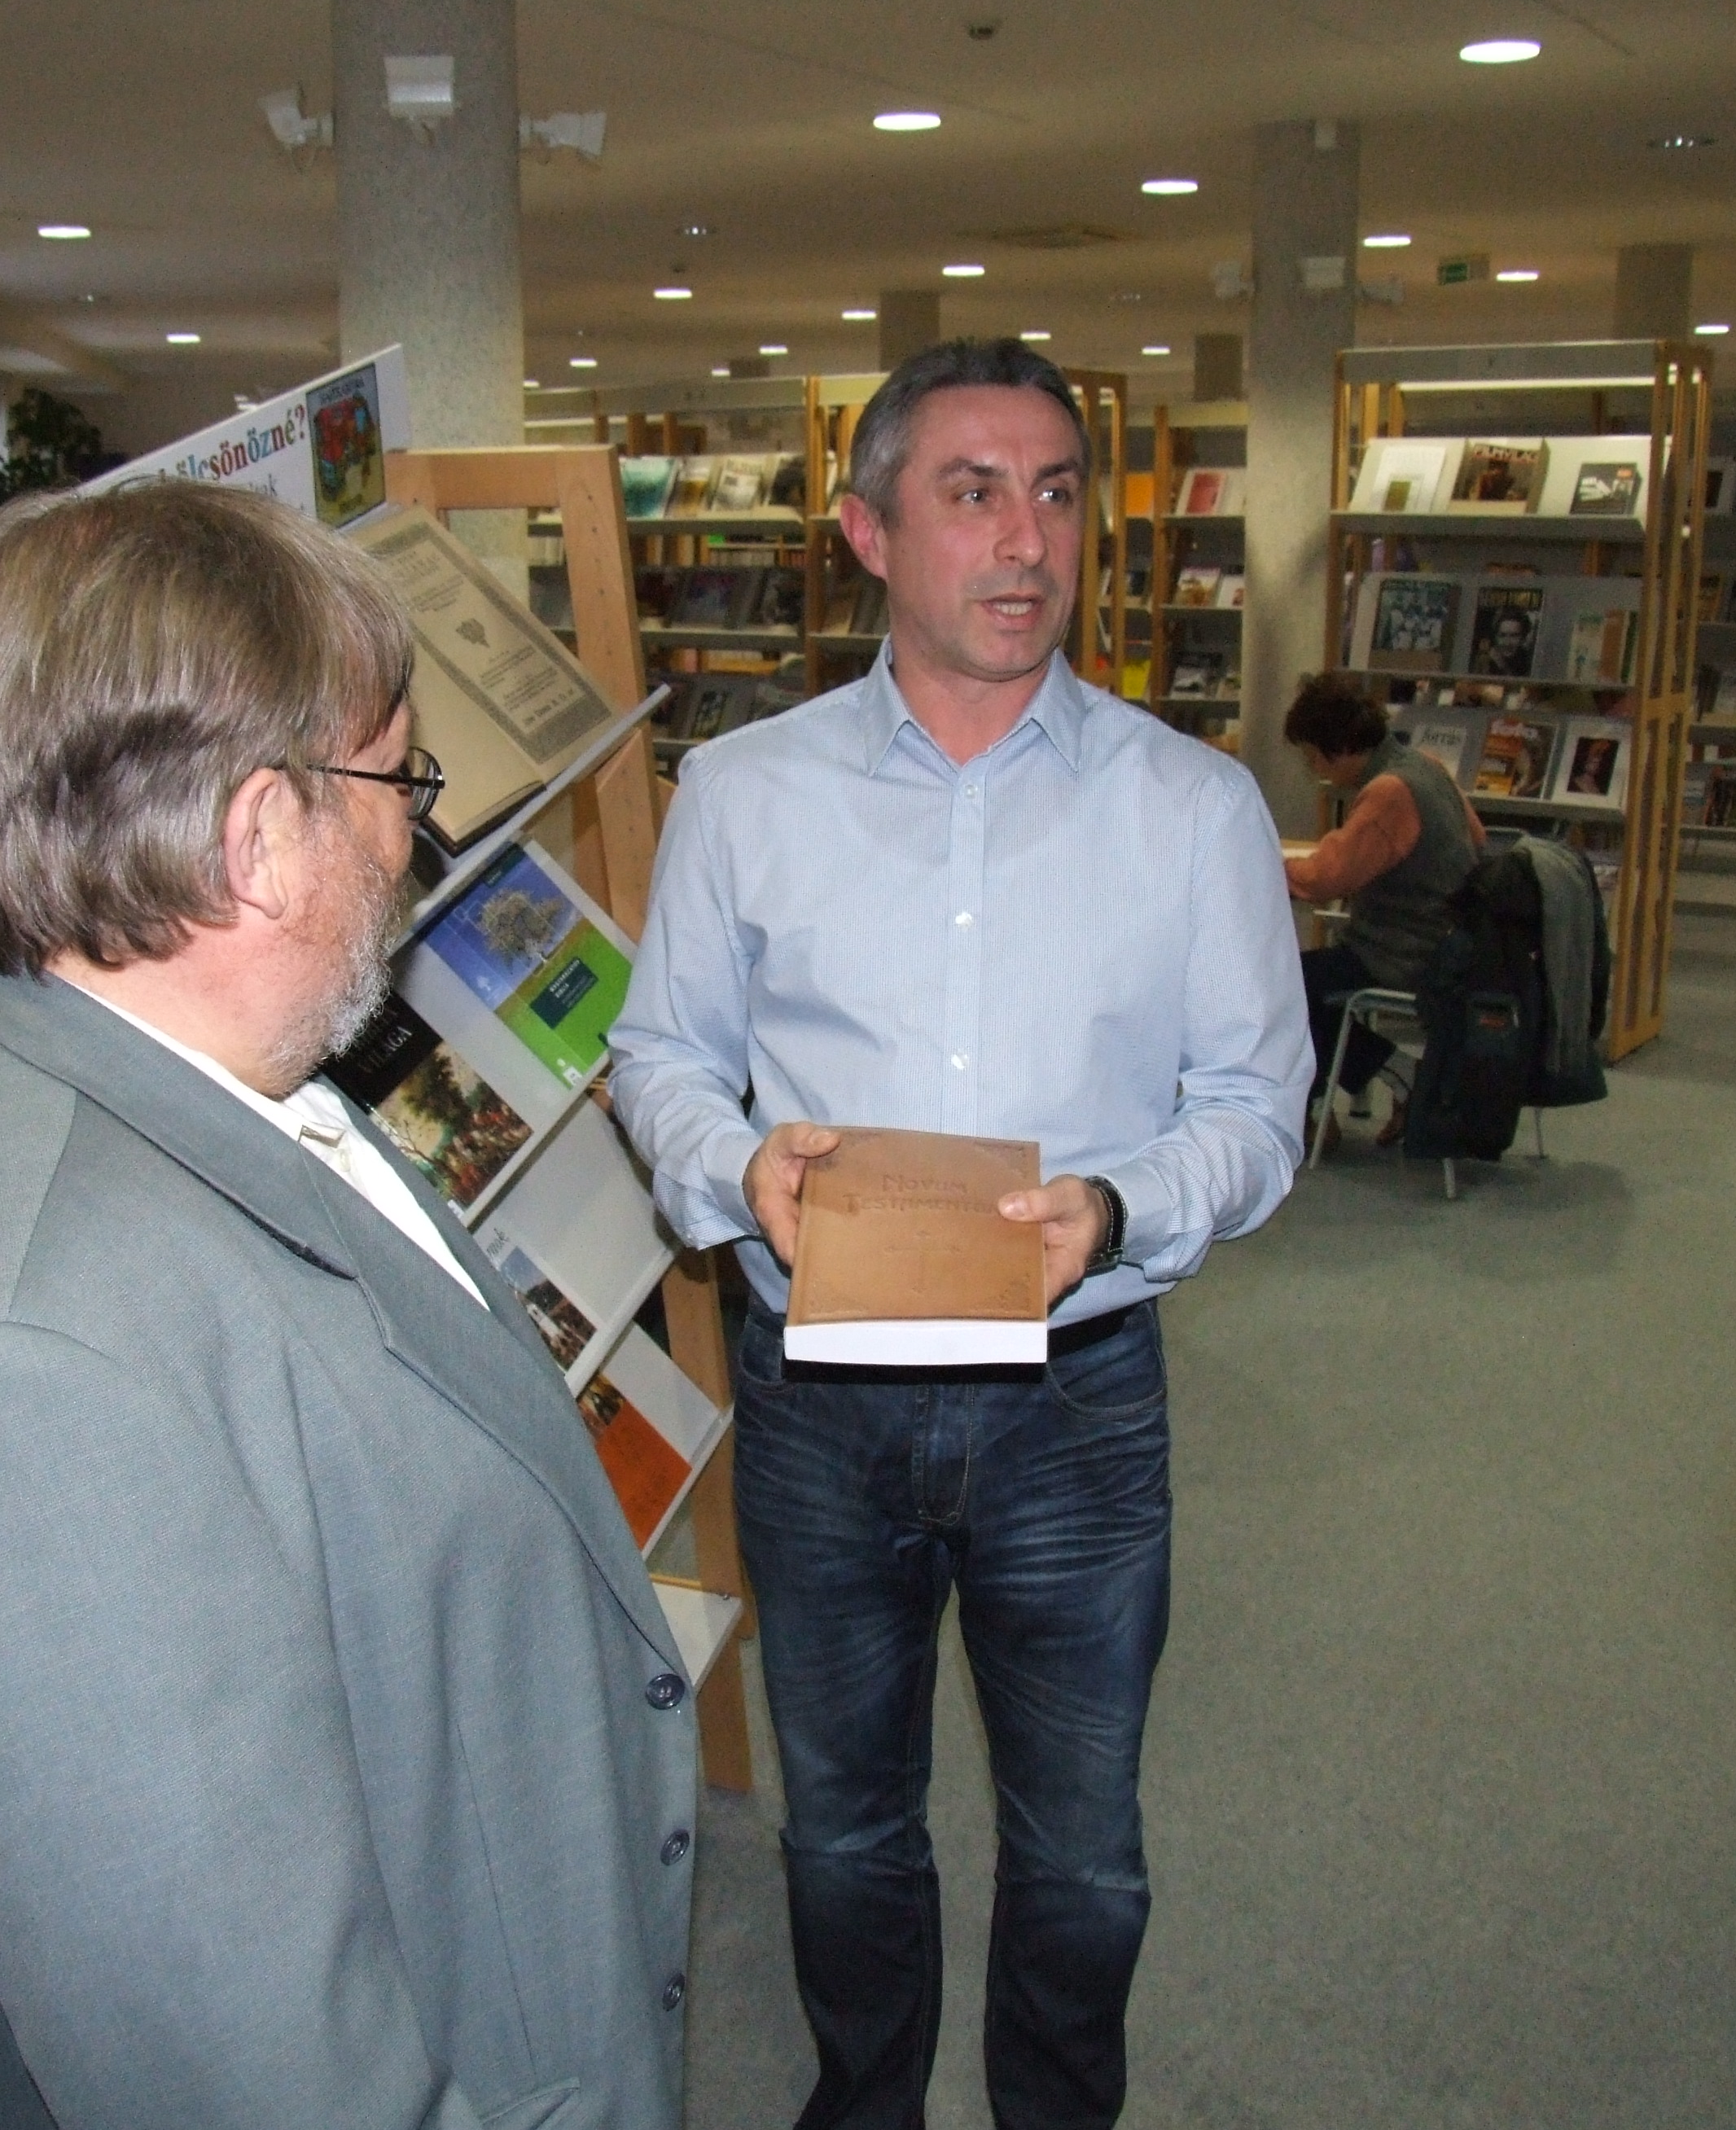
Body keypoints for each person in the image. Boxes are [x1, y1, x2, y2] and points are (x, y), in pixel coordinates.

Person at [0, 481, 699, 2130]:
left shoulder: (113, 1030)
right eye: (395, 782)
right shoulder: (32, 1366)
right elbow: (244, 2065)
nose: (413, 840)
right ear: (259, 836)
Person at [608, 340, 1308, 2130]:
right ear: (866, 532)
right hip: (818, 1388)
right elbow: (658, 1056)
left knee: (1082, 1854)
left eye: (1055, 494)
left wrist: (1123, 1208)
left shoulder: (1191, 806)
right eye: (973, 493)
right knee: (843, 1830)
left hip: (1075, 1400)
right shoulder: (744, 791)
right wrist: (737, 1171)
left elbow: (1255, 1106)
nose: (1026, 539)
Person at [1282, 672, 1487, 1145]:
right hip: (1446, 941)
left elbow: (1328, 878)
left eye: (1313, 755)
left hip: (1403, 952)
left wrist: (1268, 868)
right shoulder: (1426, 767)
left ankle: (1396, 1081)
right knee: (1305, 982)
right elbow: (1477, 839)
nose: (1314, 767)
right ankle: (1326, 1108)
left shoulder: (1389, 792)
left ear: (1337, 747)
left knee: (1283, 987)